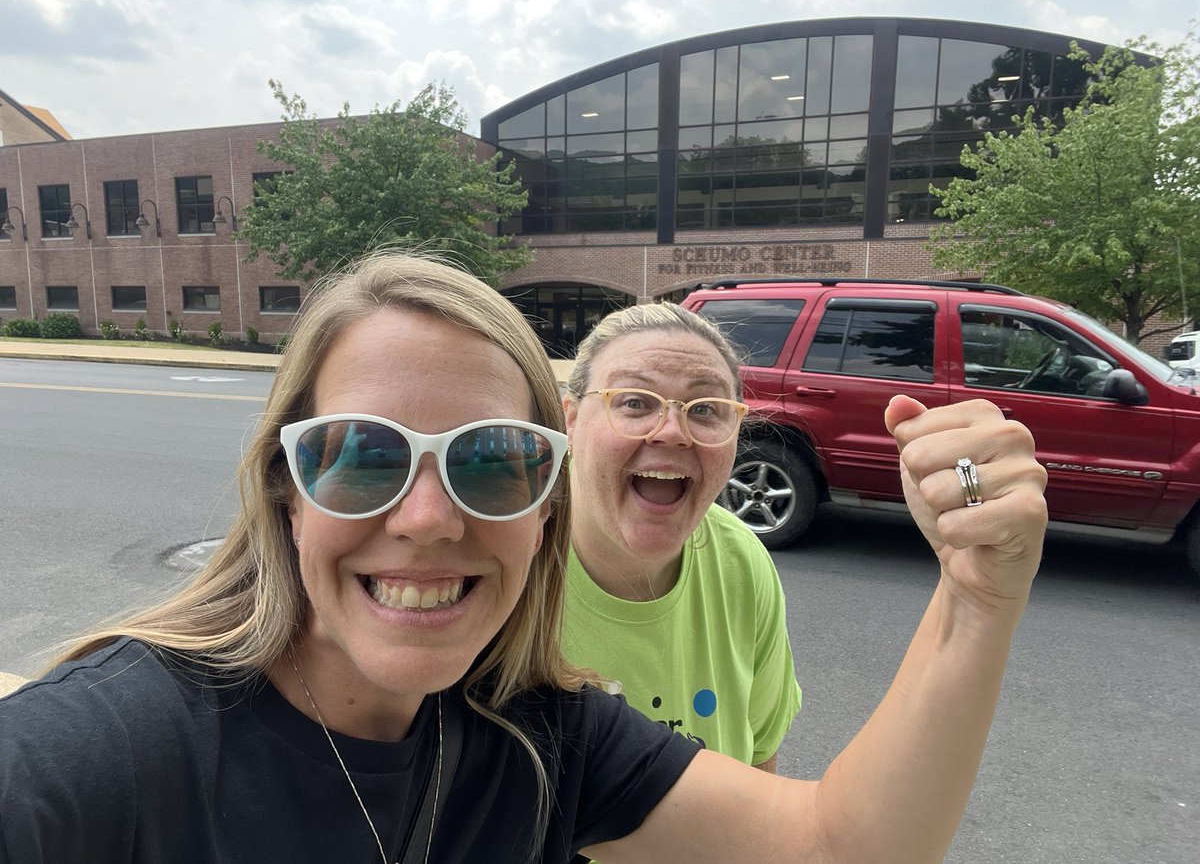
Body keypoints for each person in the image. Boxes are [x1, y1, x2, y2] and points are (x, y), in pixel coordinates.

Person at [0, 250, 1048, 864]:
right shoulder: (114, 751)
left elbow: (836, 844)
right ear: (286, 487)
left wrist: (978, 596)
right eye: (361, 455)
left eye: (492, 462)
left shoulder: (539, 733)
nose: (425, 517)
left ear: (542, 500)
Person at [560, 303, 801, 773]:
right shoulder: (506, 557)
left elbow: (758, 756)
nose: (672, 432)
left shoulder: (740, 557)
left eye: (706, 409)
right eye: (634, 402)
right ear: (571, 418)